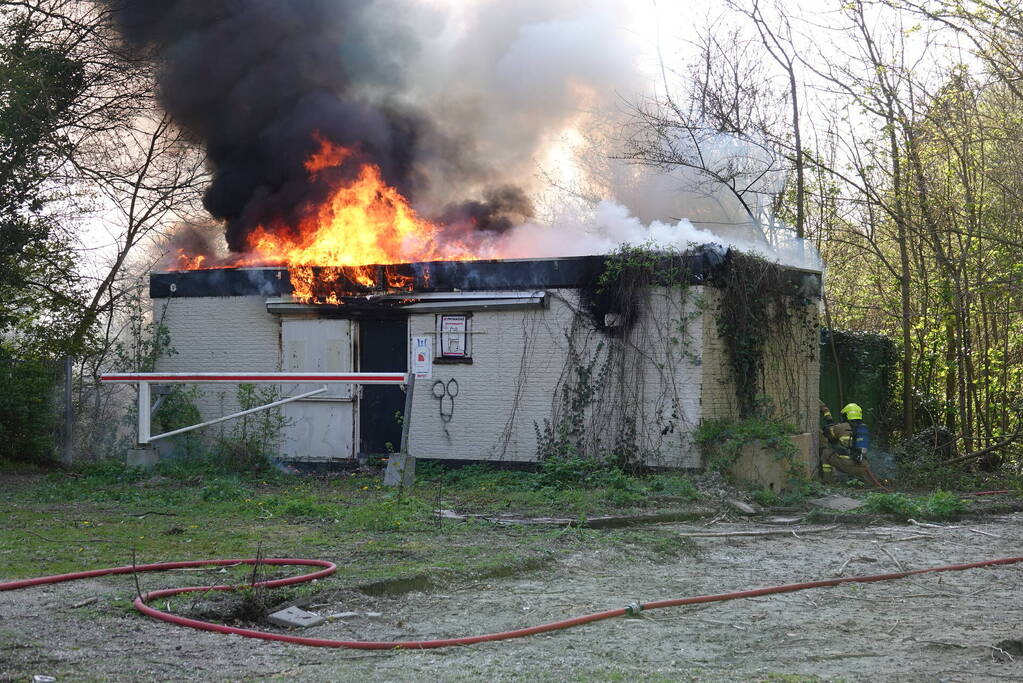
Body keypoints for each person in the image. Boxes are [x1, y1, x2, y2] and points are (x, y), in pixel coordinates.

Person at [819, 401, 884, 487]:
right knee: (870, 484)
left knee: (826, 454)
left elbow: (829, 434)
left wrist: (827, 417)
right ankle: (864, 482)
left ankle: (829, 482)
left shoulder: (841, 427)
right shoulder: (864, 427)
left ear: (846, 415)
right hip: (864, 465)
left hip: (848, 464)